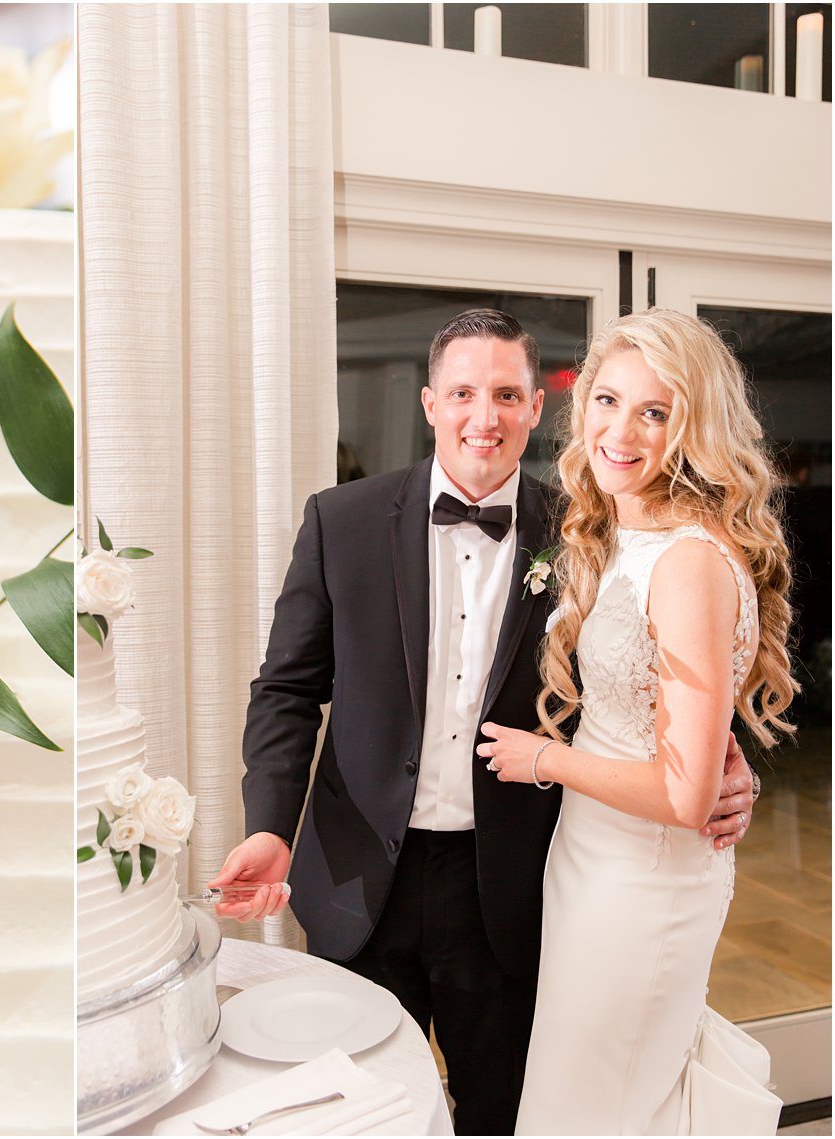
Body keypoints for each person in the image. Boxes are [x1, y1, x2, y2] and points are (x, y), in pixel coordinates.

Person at [211, 308, 757, 1135]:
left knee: (505, 1113)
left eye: (507, 393)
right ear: (430, 402)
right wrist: (269, 828)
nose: (485, 415)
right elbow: (286, 689)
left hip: (512, 887)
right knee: (354, 1112)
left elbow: (657, 676)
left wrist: (727, 759)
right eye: (463, 392)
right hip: (359, 886)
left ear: (538, 407)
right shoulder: (341, 520)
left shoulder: (591, 531)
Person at [480, 308, 794, 1133]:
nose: (621, 430)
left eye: (655, 412)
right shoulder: (617, 528)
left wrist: (543, 760)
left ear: (695, 426)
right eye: (608, 400)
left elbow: (687, 795)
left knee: (594, 1107)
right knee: (589, 1097)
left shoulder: (689, 561)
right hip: (591, 862)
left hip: (642, 885)